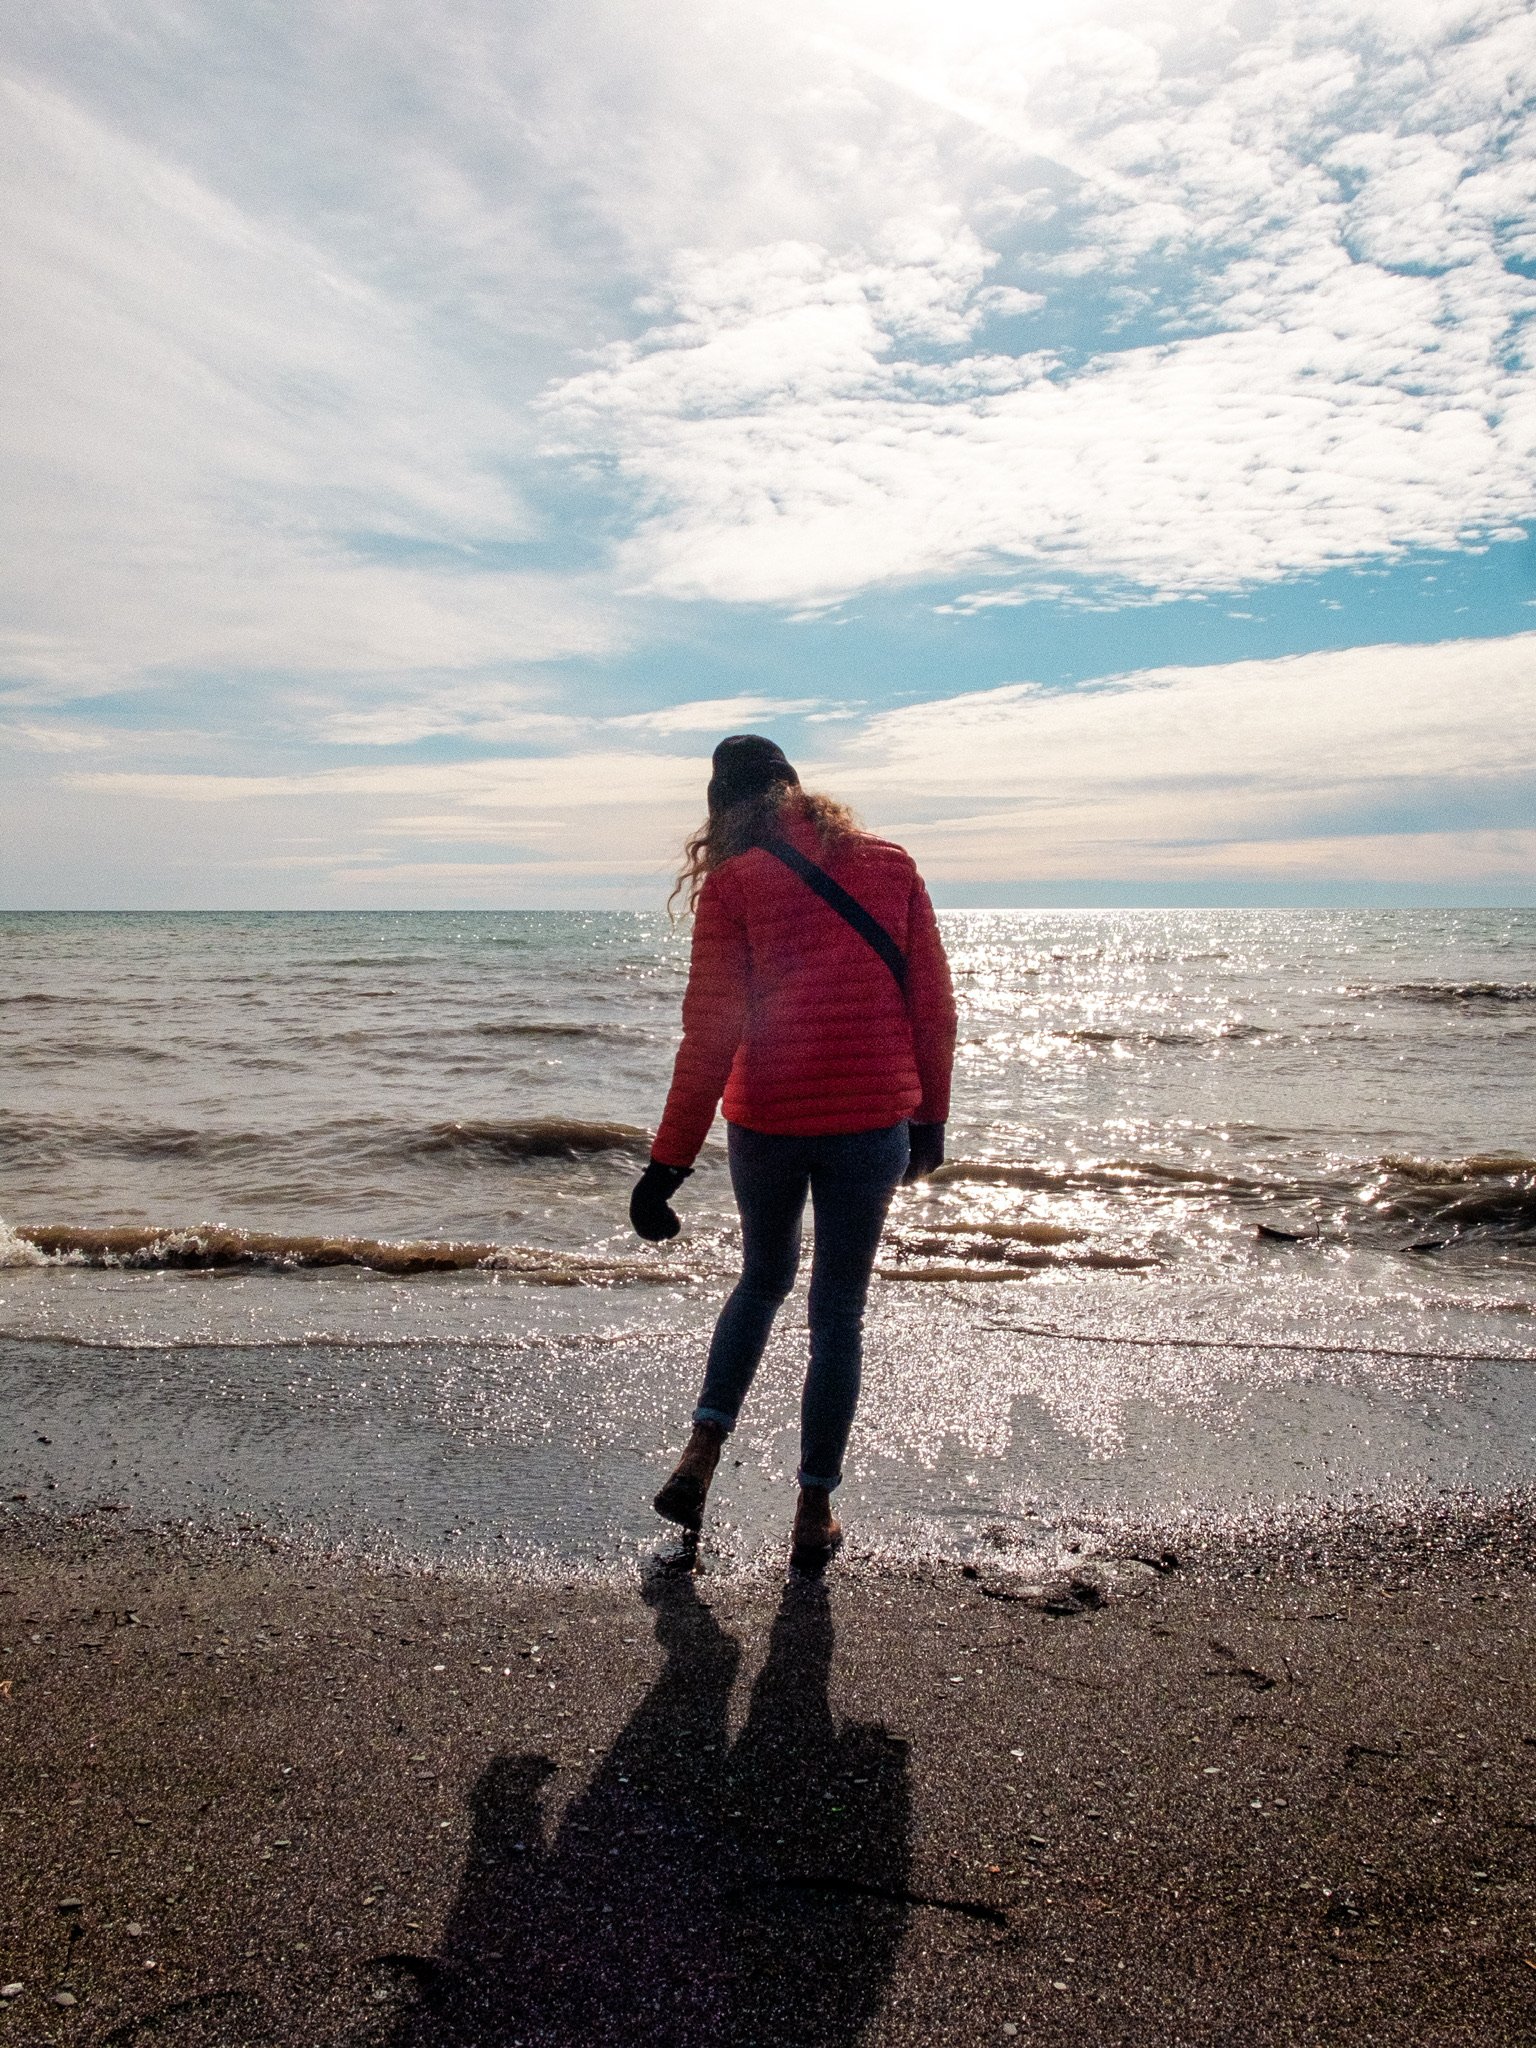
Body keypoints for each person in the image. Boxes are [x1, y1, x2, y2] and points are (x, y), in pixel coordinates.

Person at [629, 734, 957, 1570]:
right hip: (871, 1121)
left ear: (723, 808)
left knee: (763, 1281)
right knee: (838, 1312)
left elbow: (710, 1034)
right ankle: (814, 1508)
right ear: (797, 788)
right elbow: (934, 1009)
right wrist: (930, 1124)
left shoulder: (735, 881)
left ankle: (700, 1454)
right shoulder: (892, 865)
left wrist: (667, 1166)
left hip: (769, 1120)